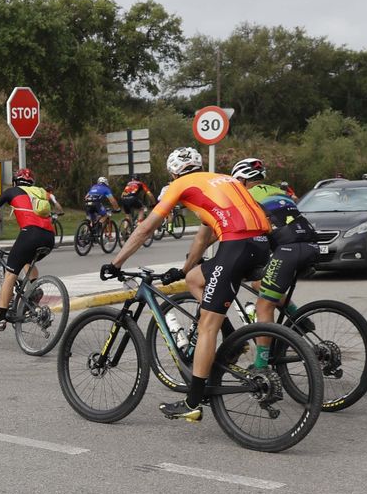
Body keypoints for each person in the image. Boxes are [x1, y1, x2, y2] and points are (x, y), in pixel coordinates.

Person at [105, 147, 273, 422]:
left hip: (236, 246)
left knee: (207, 325)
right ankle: (233, 341)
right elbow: (205, 236)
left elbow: (146, 228)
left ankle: (193, 402)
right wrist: (184, 270)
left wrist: (117, 262)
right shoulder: (224, 179)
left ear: (173, 173)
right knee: (195, 278)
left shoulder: (180, 184)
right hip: (261, 244)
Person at [0, 168, 62, 333]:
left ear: (15, 182)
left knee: (10, 273)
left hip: (30, 234)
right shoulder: (40, 191)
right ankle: (35, 289)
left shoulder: (12, 191)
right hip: (49, 236)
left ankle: (1, 319)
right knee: (27, 259)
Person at [232, 157, 322, 326]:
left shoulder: (245, 196)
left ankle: (264, 353)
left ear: (241, 180)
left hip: (289, 249)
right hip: (312, 244)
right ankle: (300, 321)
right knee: (260, 284)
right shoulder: (279, 191)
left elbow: (241, 231)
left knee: (263, 306)